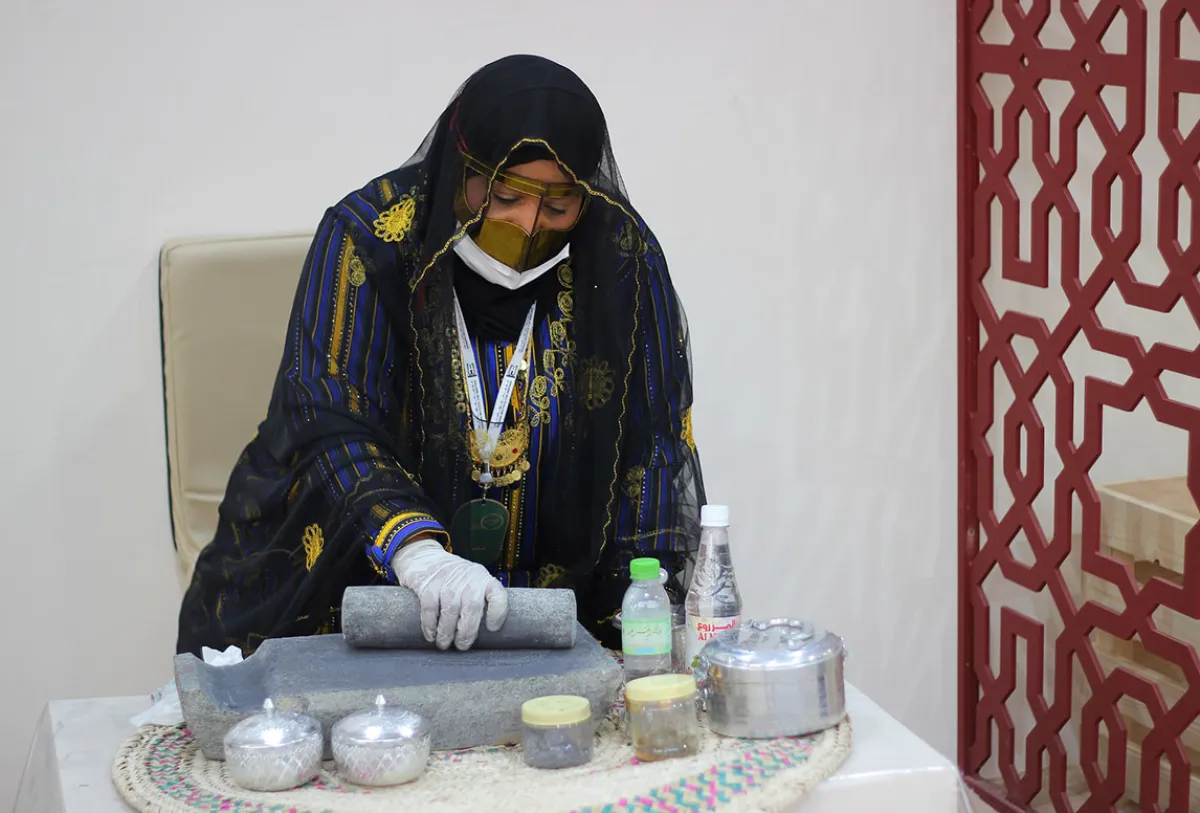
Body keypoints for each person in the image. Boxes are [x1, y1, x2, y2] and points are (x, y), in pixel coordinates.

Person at [176, 54, 705, 657]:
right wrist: (417, 553)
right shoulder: (372, 236)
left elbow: (653, 443)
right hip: (371, 590)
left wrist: (641, 611)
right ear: (461, 166)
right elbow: (327, 413)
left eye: (557, 207)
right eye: (504, 195)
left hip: (548, 615)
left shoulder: (619, 255)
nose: (526, 224)